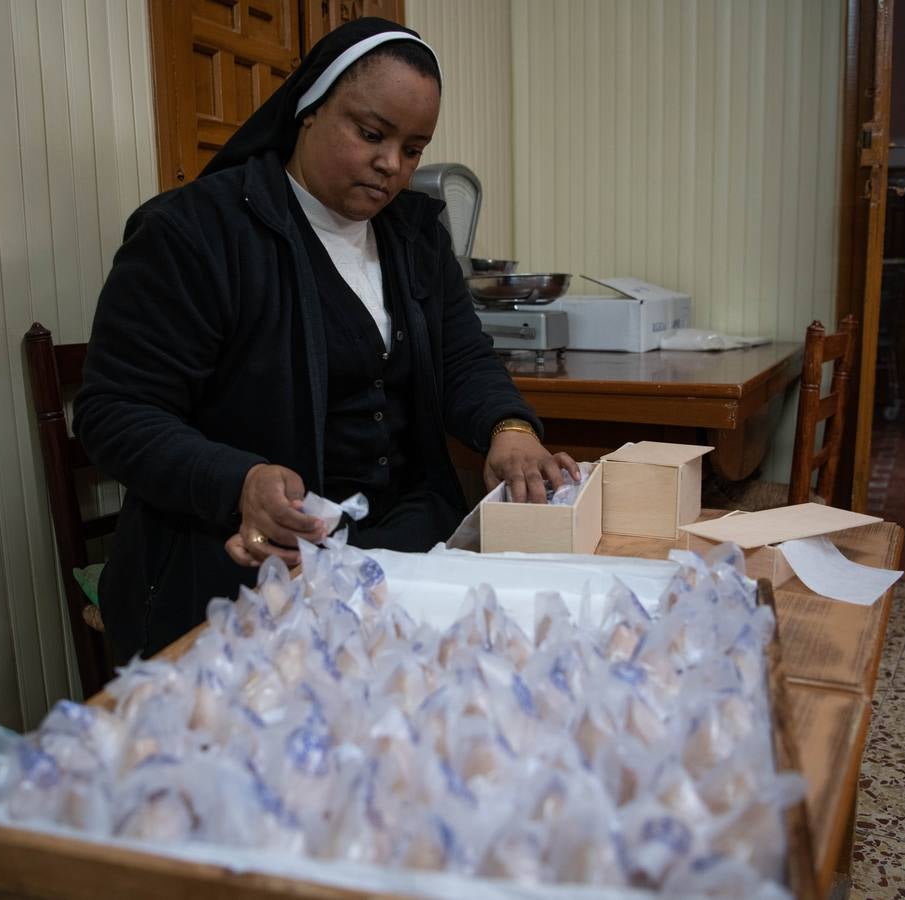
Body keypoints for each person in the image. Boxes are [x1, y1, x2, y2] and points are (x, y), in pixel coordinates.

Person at [74, 17, 579, 662]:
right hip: (255, 565)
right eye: (371, 134)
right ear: (309, 108)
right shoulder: (195, 234)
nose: (391, 165)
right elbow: (113, 412)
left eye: (414, 148)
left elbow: (460, 356)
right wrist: (240, 480)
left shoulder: (414, 235)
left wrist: (510, 427)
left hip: (406, 547)